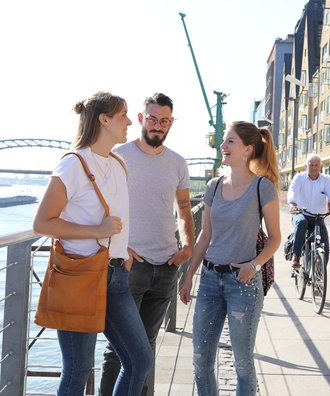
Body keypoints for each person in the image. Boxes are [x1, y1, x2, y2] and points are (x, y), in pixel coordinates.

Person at [32, 92, 153, 396]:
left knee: (140, 359)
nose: (128, 121)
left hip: (116, 278)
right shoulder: (73, 165)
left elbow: (118, 217)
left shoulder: (117, 164)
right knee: (78, 371)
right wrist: (96, 230)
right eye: (123, 114)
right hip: (81, 278)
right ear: (104, 119)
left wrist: (122, 249)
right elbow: (42, 223)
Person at [99, 93, 194, 396]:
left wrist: (187, 248)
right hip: (129, 267)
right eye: (152, 119)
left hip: (166, 266)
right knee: (118, 350)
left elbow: (183, 210)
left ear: (171, 123)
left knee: (146, 346)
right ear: (141, 119)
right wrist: (120, 246)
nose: (157, 125)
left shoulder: (178, 163)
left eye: (163, 120)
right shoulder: (117, 156)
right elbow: (100, 207)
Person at [178, 121, 281, 396]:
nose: (223, 146)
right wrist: (188, 276)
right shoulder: (213, 186)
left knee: (243, 363)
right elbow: (205, 236)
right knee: (200, 360)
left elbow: (275, 238)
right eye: (224, 141)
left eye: (230, 142)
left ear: (248, 149)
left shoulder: (263, 187)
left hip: (243, 284)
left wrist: (254, 265)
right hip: (210, 281)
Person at [287, 154, 330, 268]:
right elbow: (293, 190)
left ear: (321, 166)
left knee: (325, 247)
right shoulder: (299, 178)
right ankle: (296, 255)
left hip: (318, 217)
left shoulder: (326, 180)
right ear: (306, 166)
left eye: (316, 165)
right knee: (302, 223)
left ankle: (319, 275)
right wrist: (293, 204)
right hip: (300, 214)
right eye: (311, 165)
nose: (313, 167)